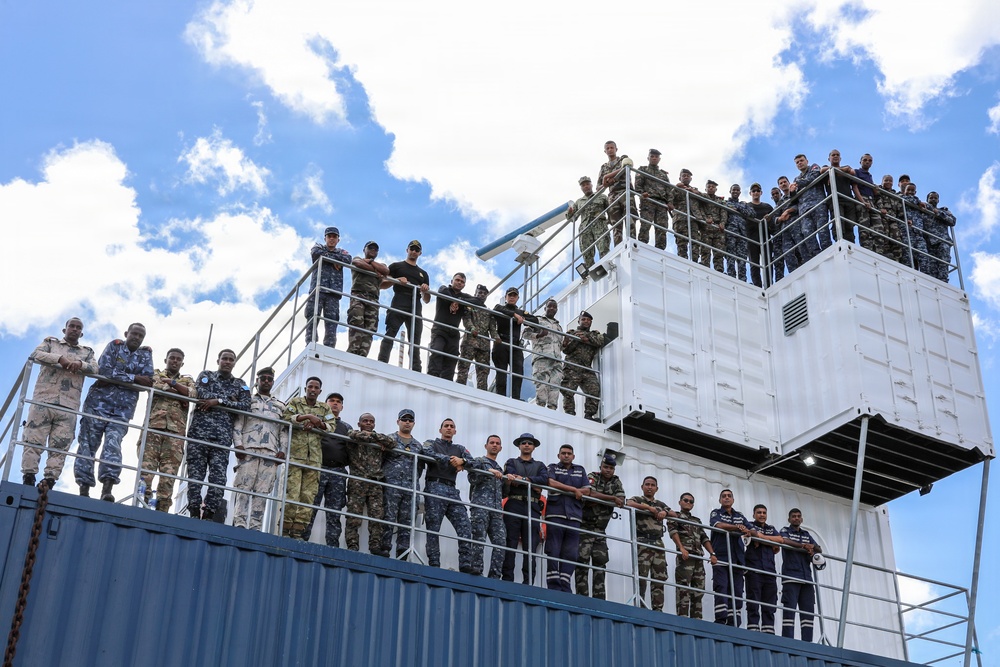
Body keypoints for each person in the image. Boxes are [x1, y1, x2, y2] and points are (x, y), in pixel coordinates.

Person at [74, 323, 154, 502]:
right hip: (98, 404)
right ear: (126, 333)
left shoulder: (145, 354)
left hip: (122, 410)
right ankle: (84, 489)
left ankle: (107, 489)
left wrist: (118, 377)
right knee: (87, 445)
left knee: (113, 445)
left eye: (140, 336)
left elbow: (148, 381)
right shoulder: (114, 346)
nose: (137, 338)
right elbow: (104, 370)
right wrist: (133, 378)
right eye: (134, 334)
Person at [20, 317, 97, 488]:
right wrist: (59, 358)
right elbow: (36, 354)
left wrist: (80, 364)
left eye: (78, 327)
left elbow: (95, 368)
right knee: (33, 439)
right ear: (65, 329)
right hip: (43, 401)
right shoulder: (50, 343)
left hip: (68, 406)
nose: (75, 329)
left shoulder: (87, 352)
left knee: (60, 445)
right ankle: (29, 476)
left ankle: (50, 479)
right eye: (72, 326)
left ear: (81, 333)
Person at [185, 349, 252, 521]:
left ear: (234, 363)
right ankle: (194, 511)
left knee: (218, 479)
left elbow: (246, 405)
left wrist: (218, 401)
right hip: (199, 435)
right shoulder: (206, 376)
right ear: (218, 361)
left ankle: (209, 513)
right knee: (195, 476)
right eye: (224, 358)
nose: (227, 362)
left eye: (231, 359)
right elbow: (201, 392)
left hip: (221, 439)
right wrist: (231, 402)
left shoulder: (240, 384)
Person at [139, 348, 195, 512]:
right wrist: (178, 392)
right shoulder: (156, 373)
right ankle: (142, 505)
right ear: (166, 360)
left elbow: (193, 394)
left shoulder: (187, 379)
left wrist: (172, 384)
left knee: (168, 477)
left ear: (182, 363)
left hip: (175, 434)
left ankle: (161, 511)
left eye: (178, 359)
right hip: (153, 429)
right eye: (172, 358)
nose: (175, 361)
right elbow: (153, 384)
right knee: (146, 472)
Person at [232, 367, 288, 530]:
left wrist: (283, 451)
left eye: (269, 379)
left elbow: (283, 431)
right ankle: (240, 522)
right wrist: (238, 444)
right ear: (257, 381)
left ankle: (255, 526)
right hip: (248, 450)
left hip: (270, 452)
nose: (266, 381)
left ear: (273, 382)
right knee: (244, 487)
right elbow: (238, 423)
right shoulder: (248, 401)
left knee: (262, 491)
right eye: (263, 378)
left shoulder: (280, 406)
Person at [280, 376, 333, 538]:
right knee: (292, 493)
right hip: (296, 456)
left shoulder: (324, 408)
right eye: (310, 387)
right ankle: (285, 529)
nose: (313, 390)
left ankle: (298, 531)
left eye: (316, 388)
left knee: (308, 496)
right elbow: (286, 417)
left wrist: (318, 423)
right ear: (305, 389)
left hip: (314, 459)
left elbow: (331, 427)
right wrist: (306, 417)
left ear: (320, 391)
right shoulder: (296, 402)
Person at [422, 418, 476, 573]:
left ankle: (465, 564)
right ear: (440, 430)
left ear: (455, 431)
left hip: (452, 490)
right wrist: (450, 460)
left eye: (452, 426)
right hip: (434, 486)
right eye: (446, 426)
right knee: (433, 527)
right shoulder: (432, 443)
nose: (449, 428)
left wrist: (462, 461)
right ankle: (434, 563)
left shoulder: (459, 449)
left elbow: (474, 462)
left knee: (465, 526)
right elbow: (425, 452)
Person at [575, 454, 625, 599]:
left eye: (611, 468)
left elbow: (621, 500)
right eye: (606, 467)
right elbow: (589, 493)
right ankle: (581, 598)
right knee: (582, 563)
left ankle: (599, 600)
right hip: (584, 528)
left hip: (600, 531)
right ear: (600, 467)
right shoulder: (593, 476)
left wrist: (600, 498)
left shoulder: (616, 481)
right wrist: (611, 498)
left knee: (600, 564)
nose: (608, 470)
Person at [303, 392, 350, 545]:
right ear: (326, 404)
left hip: (337, 472)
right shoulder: (317, 422)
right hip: (318, 468)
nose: (335, 403)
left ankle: (332, 544)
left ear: (342, 407)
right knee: (310, 506)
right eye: (332, 400)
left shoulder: (346, 428)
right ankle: (302, 539)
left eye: (338, 401)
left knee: (334, 511)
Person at [344, 412, 394, 556]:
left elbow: (392, 442)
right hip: (357, 482)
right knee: (353, 516)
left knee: (376, 516)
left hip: (375, 483)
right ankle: (352, 546)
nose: (368, 423)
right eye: (365, 421)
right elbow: (352, 434)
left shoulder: (378, 438)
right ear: (359, 423)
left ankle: (375, 546)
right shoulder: (353, 435)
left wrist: (374, 437)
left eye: (371, 421)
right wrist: (374, 439)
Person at [501, 432, 548, 584]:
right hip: (514, 504)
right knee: (510, 542)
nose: (526, 445)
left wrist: (524, 479)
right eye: (523, 443)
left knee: (530, 546)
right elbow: (510, 476)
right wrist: (533, 484)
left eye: (529, 443)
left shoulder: (540, 465)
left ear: (534, 447)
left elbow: (544, 479)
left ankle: (528, 582)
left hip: (532, 506)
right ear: (519, 446)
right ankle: (507, 579)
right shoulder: (512, 462)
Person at [378, 240, 431, 371]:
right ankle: (382, 363)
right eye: (412, 249)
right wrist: (395, 280)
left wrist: (425, 291)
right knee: (390, 333)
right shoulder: (396, 266)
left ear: (420, 253)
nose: (414, 251)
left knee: (415, 340)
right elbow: (381, 285)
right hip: (399, 301)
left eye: (417, 250)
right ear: (407, 250)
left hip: (416, 304)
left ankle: (416, 369)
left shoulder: (423, 274)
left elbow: (427, 300)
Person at [543, 444, 590, 592]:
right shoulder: (552, 467)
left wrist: (577, 490)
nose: (566, 455)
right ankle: (553, 584)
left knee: (571, 552)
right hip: (556, 514)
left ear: (573, 456)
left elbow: (587, 490)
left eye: (569, 453)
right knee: (554, 549)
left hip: (574, 516)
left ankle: (565, 584)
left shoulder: (580, 470)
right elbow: (551, 482)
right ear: (558, 456)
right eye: (563, 453)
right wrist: (574, 490)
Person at [380, 408, 424, 559]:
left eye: (410, 420)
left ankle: (402, 552)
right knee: (388, 517)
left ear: (414, 423)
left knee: (407, 520)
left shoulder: (418, 446)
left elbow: (419, 468)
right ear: (398, 421)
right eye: (404, 419)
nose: (407, 422)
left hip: (410, 488)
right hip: (392, 486)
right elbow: (381, 461)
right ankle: (384, 549)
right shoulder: (389, 440)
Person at [710, 488, 757, 627]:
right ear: (720, 500)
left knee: (736, 591)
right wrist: (738, 528)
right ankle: (720, 620)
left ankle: (734, 622)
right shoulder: (716, 513)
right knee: (721, 587)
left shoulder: (739, 515)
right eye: (724, 496)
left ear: (733, 499)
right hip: (721, 557)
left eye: (729, 496)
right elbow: (718, 525)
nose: (726, 498)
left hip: (738, 559)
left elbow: (752, 530)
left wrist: (748, 532)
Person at [627, 477, 674, 612]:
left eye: (652, 485)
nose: (649, 487)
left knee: (659, 577)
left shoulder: (660, 503)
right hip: (643, 540)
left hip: (658, 542)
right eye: (647, 484)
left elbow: (674, 514)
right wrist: (648, 508)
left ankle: (657, 609)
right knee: (641, 575)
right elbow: (629, 503)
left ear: (656, 489)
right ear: (642, 487)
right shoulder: (638, 499)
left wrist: (664, 512)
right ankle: (640, 606)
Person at [669, 492, 717, 618]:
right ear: (680, 502)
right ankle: (683, 618)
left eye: (691, 501)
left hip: (698, 558)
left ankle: (697, 619)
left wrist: (712, 553)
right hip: (686, 557)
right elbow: (673, 532)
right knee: (683, 589)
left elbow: (704, 538)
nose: (688, 503)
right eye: (685, 500)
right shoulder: (675, 516)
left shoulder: (696, 521)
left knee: (698, 590)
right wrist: (681, 548)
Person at [467, 435, 507, 578]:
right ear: (486, 446)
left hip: (496, 510)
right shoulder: (480, 461)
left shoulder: (500, 469)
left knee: (501, 542)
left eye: (497, 443)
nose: (494, 445)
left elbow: (504, 493)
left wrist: (509, 480)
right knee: (479, 538)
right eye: (492, 443)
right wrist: (487, 471)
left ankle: (494, 576)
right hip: (480, 507)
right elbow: (472, 478)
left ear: (500, 448)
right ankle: (476, 570)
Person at [305, 226, 352, 348]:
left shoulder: (342, 252)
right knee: (312, 317)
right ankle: (310, 343)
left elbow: (348, 259)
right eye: (329, 236)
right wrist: (335, 260)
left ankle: (329, 347)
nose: (331, 239)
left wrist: (327, 258)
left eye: (334, 237)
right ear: (325, 238)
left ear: (338, 240)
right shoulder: (318, 247)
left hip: (333, 293)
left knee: (332, 321)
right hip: (318, 290)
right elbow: (316, 254)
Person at [780, 508, 823, 642]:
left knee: (808, 613)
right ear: (789, 519)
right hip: (791, 577)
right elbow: (784, 541)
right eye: (793, 516)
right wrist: (803, 546)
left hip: (806, 579)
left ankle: (807, 642)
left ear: (802, 519)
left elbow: (819, 549)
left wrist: (811, 547)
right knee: (789, 612)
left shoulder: (806, 534)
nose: (796, 518)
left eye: (799, 516)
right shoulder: (785, 531)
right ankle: (787, 641)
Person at [560, 310, 608, 421]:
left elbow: (600, 342)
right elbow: (566, 350)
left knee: (594, 390)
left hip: (586, 368)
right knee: (568, 391)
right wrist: (577, 340)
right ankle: (569, 415)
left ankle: (589, 415)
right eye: (583, 319)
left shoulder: (595, 334)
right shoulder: (571, 333)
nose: (586, 321)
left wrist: (586, 339)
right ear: (579, 321)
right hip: (572, 367)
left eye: (588, 320)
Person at [491, 287, 538, 400]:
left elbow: (535, 321)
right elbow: (496, 309)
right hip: (502, 343)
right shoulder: (500, 308)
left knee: (518, 372)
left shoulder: (521, 312)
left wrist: (524, 319)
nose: (512, 297)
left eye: (514, 296)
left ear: (517, 298)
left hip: (515, 345)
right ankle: (500, 397)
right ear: (506, 297)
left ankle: (516, 398)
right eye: (510, 295)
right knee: (501, 372)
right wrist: (514, 315)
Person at [744, 504, 783, 633]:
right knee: (753, 601)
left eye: (764, 513)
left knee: (770, 603)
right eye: (759, 512)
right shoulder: (750, 525)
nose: (762, 515)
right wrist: (770, 542)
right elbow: (750, 534)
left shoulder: (771, 528)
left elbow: (780, 540)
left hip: (770, 572)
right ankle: (753, 630)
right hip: (754, 570)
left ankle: (768, 631)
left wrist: (761, 538)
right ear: (753, 515)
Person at [346, 241, 390, 357]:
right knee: (356, 323)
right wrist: (375, 270)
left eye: (375, 249)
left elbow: (386, 271)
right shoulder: (358, 258)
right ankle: (352, 352)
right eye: (370, 248)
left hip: (373, 300)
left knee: (370, 329)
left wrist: (371, 263)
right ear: (364, 249)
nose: (373, 250)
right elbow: (358, 263)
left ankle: (362, 355)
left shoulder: (382, 265)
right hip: (359, 296)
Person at [427, 272, 470, 379]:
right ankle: (432, 377)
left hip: (453, 333)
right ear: (452, 281)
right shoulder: (444, 289)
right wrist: (454, 301)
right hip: (439, 329)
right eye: (457, 280)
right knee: (437, 350)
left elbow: (477, 301)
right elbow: (442, 291)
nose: (459, 283)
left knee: (452, 357)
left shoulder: (464, 297)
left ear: (464, 285)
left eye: (462, 282)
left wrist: (459, 301)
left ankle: (447, 380)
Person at [455, 284, 498, 390]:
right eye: (480, 293)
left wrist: (496, 337)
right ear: (475, 294)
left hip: (484, 345)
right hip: (470, 341)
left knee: (483, 371)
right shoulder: (469, 306)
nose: (482, 295)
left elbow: (492, 328)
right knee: (464, 367)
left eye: (484, 293)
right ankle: (459, 389)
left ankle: (482, 393)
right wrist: (472, 328)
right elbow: (467, 319)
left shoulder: (489, 312)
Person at [523, 299, 563, 410]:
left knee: (555, 385)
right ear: (545, 308)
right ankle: (540, 409)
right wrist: (538, 335)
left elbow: (560, 345)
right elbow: (525, 334)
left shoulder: (558, 326)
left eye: (554, 307)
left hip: (557, 360)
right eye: (549, 306)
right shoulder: (538, 320)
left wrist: (565, 344)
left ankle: (552, 410)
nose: (552, 308)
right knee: (542, 384)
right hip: (542, 357)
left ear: (556, 310)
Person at [788, 154, 826, 263]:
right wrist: (792, 192)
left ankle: (827, 251)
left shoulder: (813, 167)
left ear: (807, 161)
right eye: (797, 162)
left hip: (818, 205)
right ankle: (816, 256)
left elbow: (814, 176)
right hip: (804, 211)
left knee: (823, 231)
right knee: (807, 233)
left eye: (801, 160)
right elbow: (793, 198)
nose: (800, 163)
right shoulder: (796, 179)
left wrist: (797, 184)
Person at [566, 176, 611, 269]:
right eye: (583, 185)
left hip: (600, 225)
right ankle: (591, 271)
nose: (586, 186)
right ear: (581, 188)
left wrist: (609, 220)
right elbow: (570, 218)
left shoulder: (601, 196)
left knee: (603, 247)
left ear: (591, 185)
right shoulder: (579, 202)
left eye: (587, 184)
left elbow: (610, 210)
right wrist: (570, 212)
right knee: (587, 252)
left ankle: (606, 267)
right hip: (585, 229)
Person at [597, 140, 636, 245]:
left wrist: (607, 176)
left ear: (616, 149)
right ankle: (619, 248)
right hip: (613, 196)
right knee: (616, 225)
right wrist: (605, 184)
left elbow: (627, 167)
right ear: (605, 151)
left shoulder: (623, 159)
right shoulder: (604, 167)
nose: (610, 150)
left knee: (630, 221)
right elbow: (598, 187)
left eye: (612, 148)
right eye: (607, 148)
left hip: (625, 192)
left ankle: (632, 244)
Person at [634, 148, 671, 249]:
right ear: (648, 158)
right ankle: (642, 246)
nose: (654, 158)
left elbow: (669, 190)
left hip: (662, 203)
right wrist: (642, 193)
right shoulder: (643, 170)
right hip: (648, 201)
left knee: (662, 228)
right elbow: (638, 185)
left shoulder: (663, 174)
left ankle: (660, 250)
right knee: (645, 225)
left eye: (656, 157)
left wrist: (670, 202)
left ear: (659, 159)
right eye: (652, 156)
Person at [821, 149, 858, 244]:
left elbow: (852, 172)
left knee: (850, 224)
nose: (835, 156)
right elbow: (822, 170)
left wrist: (835, 171)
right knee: (838, 223)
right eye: (833, 155)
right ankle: (839, 242)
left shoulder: (846, 167)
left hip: (848, 200)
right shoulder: (826, 168)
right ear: (829, 158)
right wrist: (842, 170)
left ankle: (850, 244)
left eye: (837, 155)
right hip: (835, 200)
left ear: (840, 158)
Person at [851, 154, 886, 255]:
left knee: (878, 228)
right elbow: (855, 187)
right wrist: (862, 201)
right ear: (860, 162)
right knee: (865, 229)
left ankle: (878, 252)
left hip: (871, 202)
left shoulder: (869, 176)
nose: (867, 162)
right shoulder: (857, 172)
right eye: (865, 160)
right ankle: (866, 252)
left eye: (870, 160)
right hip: (863, 200)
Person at [668, 169, 705, 262]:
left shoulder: (695, 190)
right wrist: (676, 188)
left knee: (695, 241)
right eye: (684, 175)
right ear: (680, 178)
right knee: (681, 241)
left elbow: (704, 199)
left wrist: (693, 191)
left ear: (691, 179)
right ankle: (682, 260)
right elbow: (669, 198)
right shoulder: (676, 189)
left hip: (693, 219)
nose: (686, 177)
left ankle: (695, 261)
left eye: (688, 176)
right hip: (680, 218)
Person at [724, 184, 756, 282]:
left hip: (742, 234)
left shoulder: (743, 205)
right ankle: (731, 277)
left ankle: (742, 280)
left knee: (742, 258)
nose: (735, 191)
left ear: (740, 192)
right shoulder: (725, 203)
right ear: (730, 191)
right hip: (730, 232)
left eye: (737, 190)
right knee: (731, 256)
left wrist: (739, 209)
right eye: (734, 190)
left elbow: (752, 214)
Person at [746, 183, 774, 287]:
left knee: (768, 262)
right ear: (750, 193)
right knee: (754, 263)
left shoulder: (767, 207)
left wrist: (769, 220)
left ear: (761, 192)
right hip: (751, 239)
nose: (756, 192)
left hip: (765, 238)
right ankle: (757, 285)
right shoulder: (747, 207)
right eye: (753, 191)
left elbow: (774, 226)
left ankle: (769, 284)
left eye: (758, 190)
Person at [925, 191, 956, 282]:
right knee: (932, 266)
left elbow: (952, 221)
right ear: (927, 200)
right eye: (931, 198)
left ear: (938, 200)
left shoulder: (944, 211)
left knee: (943, 262)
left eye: (935, 198)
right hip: (929, 242)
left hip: (942, 241)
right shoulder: (923, 209)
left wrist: (938, 213)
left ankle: (943, 282)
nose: (933, 199)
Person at [901, 183, 931, 274]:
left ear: (915, 192)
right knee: (908, 257)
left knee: (924, 257)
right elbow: (909, 199)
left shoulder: (919, 204)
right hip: (907, 232)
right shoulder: (902, 198)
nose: (910, 192)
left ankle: (925, 277)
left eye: (912, 190)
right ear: (904, 191)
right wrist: (918, 202)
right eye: (908, 190)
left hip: (918, 234)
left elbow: (929, 208)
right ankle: (908, 276)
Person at [875, 174, 905, 263]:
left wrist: (903, 218)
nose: (888, 182)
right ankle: (885, 256)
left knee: (897, 238)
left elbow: (900, 208)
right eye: (886, 180)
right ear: (882, 182)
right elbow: (877, 199)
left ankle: (897, 258)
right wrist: (881, 208)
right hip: (883, 217)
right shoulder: (879, 190)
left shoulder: (895, 195)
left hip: (893, 219)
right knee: (885, 236)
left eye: (890, 181)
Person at [700, 180, 728, 272]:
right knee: (705, 250)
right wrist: (705, 218)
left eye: (713, 187)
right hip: (706, 226)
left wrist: (723, 223)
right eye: (709, 187)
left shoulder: (720, 201)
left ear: (716, 189)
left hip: (717, 227)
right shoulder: (702, 197)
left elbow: (724, 212)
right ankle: (704, 267)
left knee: (719, 251)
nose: (711, 188)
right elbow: (699, 209)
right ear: (705, 189)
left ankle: (719, 270)